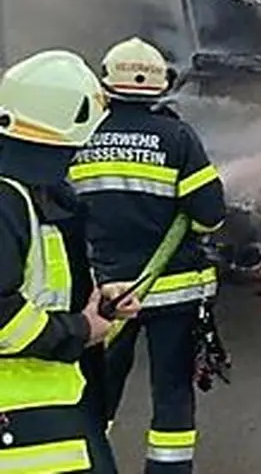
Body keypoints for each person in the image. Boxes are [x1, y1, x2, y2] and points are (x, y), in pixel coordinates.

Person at [68, 37, 226, 474]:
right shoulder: (177, 136)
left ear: (106, 85)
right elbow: (210, 216)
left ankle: (90, 463)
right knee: (172, 393)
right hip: (172, 292)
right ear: (160, 86)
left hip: (104, 297)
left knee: (97, 390)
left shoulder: (82, 134)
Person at [0, 49, 139, 474]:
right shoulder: (7, 201)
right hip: (25, 418)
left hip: (50, 405)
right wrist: (81, 328)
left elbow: (35, 285)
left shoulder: (27, 196)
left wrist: (95, 303)